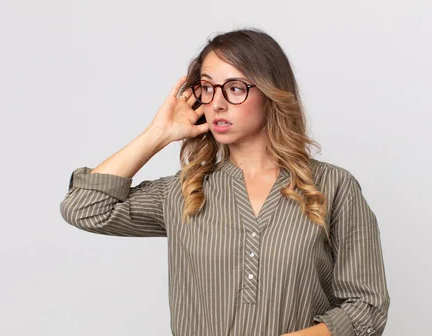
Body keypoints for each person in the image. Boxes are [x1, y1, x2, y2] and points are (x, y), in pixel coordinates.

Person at [60, 27, 390, 336]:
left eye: (234, 88)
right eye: (207, 88)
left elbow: (367, 307)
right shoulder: (183, 191)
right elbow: (84, 207)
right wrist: (158, 134)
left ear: (270, 92)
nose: (216, 103)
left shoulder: (332, 186)